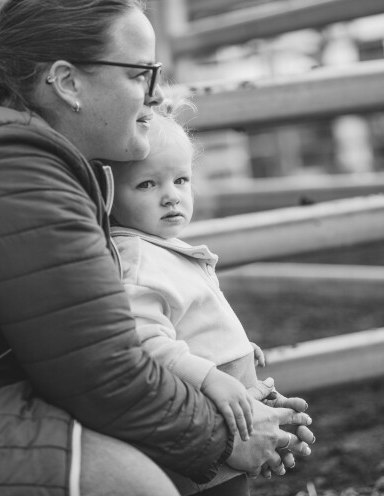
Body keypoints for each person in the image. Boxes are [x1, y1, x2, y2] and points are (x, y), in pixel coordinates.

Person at [0, 0, 314, 496]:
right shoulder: (8, 162)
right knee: (132, 484)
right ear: (67, 82)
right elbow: (97, 370)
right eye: (139, 74)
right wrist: (227, 434)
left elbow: (88, 345)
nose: (155, 95)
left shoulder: (20, 148)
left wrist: (243, 404)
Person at [106, 100, 313, 494]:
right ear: (109, 194)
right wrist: (210, 375)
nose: (171, 196)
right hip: (202, 420)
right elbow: (143, 342)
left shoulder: (158, 248)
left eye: (181, 180)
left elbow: (183, 319)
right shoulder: (135, 258)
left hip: (224, 413)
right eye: (147, 184)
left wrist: (234, 347)